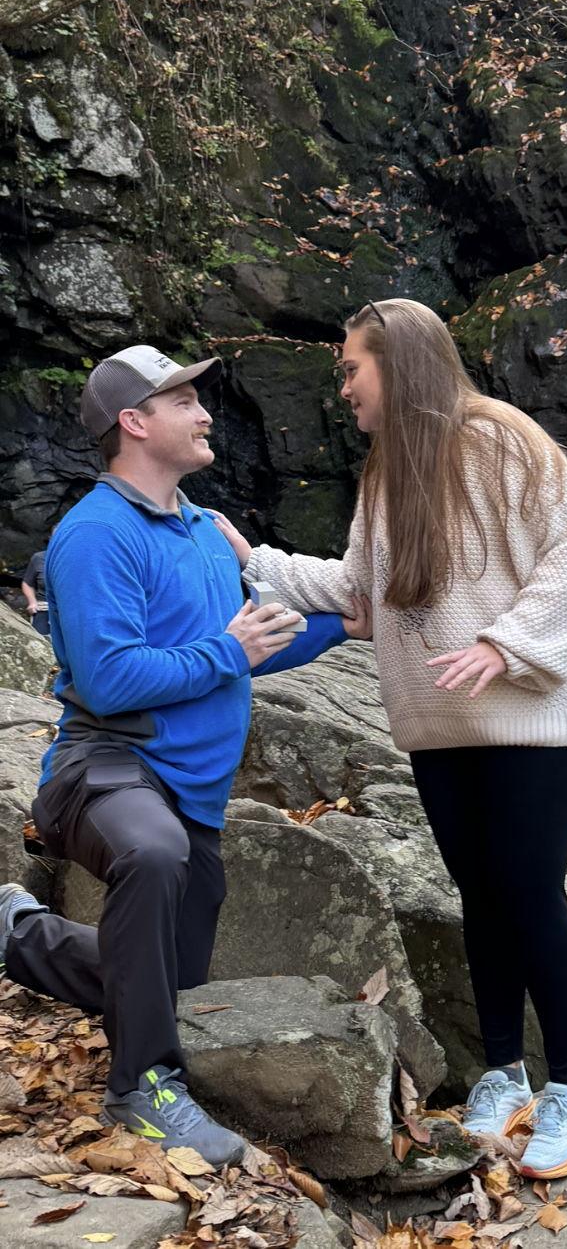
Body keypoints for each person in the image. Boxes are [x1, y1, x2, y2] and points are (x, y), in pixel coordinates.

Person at [212, 298, 567, 1180]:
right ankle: (505, 1073)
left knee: (530, 891)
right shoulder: (387, 471)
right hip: (441, 727)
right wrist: (255, 558)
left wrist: (502, 645)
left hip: (530, 723)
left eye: (352, 367)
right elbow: (360, 587)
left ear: (401, 364)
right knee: (481, 893)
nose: (344, 385)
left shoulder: (500, 437)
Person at [0, 344, 370, 1166]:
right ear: (134, 423)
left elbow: (249, 644)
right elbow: (110, 676)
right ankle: (142, 1087)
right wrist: (229, 651)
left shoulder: (204, 532)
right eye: (183, 402)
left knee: (169, 987)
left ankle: (18, 936)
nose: (206, 414)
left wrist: (342, 627)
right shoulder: (93, 534)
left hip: (189, 794)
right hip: (103, 767)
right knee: (155, 858)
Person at [20, 549, 49, 636]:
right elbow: (27, 583)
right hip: (43, 607)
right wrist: (32, 602)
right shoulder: (39, 557)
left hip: (69, 609)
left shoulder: (79, 559)